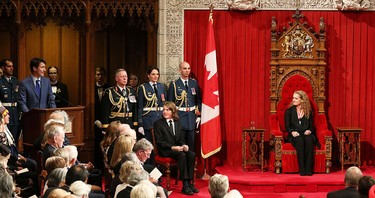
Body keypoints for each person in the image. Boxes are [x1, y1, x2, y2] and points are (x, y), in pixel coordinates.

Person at [153, 101, 198, 195]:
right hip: (165, 150)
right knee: (182, 155)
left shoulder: (178, 123)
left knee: (191, 154)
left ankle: (190, 183)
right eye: (164, 110)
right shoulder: (158, 123)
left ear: (173, 111)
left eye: (167, 110)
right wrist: (173, 147)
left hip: (177, 148)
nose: (165, 112)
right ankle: (185, 185)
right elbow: (160, 142)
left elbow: (180, 139)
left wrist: (184, 145)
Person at [168, 61, 201, 151]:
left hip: (191, 117)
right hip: (180, 117)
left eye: (188, 68)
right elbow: (170, 104)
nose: (187, 71)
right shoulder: (174, 84)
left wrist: (198, 115)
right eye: (184, 68)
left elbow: (198, 100)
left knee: (191, 145)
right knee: (181, 144)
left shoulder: (193, 83)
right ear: (179, 70)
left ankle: (191, 164)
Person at [284, 90, 318, 176]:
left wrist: (309, 130)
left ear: (302, 100)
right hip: (295, 134)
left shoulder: (308, 111)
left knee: (309, 139)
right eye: (293, 98)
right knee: (299, 140)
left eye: (296, 98)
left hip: (306, 133)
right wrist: (292, 132)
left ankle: (308, 170)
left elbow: (311, 126)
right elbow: (287, 126)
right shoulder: (289, 111)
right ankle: (302, 170)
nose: (293, 100)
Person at [137, 66, 166, 164]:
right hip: (148, 121)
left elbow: (163, 103)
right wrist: (140, 124)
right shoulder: (143, 87)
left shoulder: (162, 86)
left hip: (159, 121)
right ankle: (149, 171)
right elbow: (140, 107)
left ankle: (157, 173)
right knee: (148, 148)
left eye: (157, 74)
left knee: (158, 148)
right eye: (153, 74)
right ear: (148, 76)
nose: (155, 76)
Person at [0, 59, 20, 140]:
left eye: (12, 66)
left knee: (14, 138)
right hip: (4, 114)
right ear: (3, 68)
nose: (11, 68)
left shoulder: (15, 81)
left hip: (15, 113)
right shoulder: (0, 81)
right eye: (8, 66)